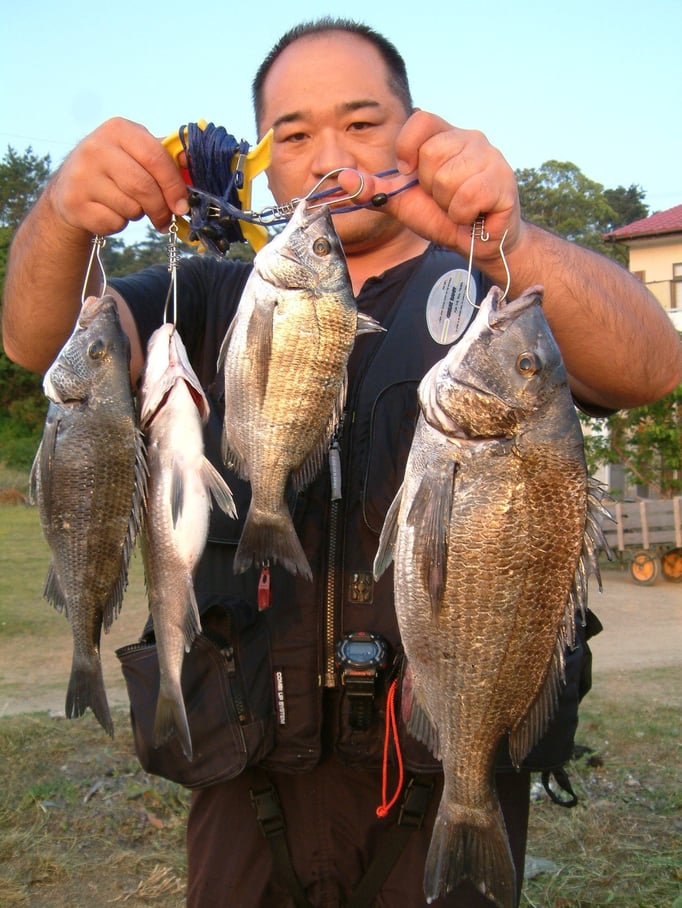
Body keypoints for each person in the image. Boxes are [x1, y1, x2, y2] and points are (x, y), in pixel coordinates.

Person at [3, 18, 681, 908]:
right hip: (246, 779)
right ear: (264, 164)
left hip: (434, 763)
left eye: (362, 123)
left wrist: (510, 238)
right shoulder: (207, 295)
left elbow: (652, 366)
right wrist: (61, 212)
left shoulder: (498, 304)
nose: (329, 154)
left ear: (415, 135)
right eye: (293, 134)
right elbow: (41, 346)